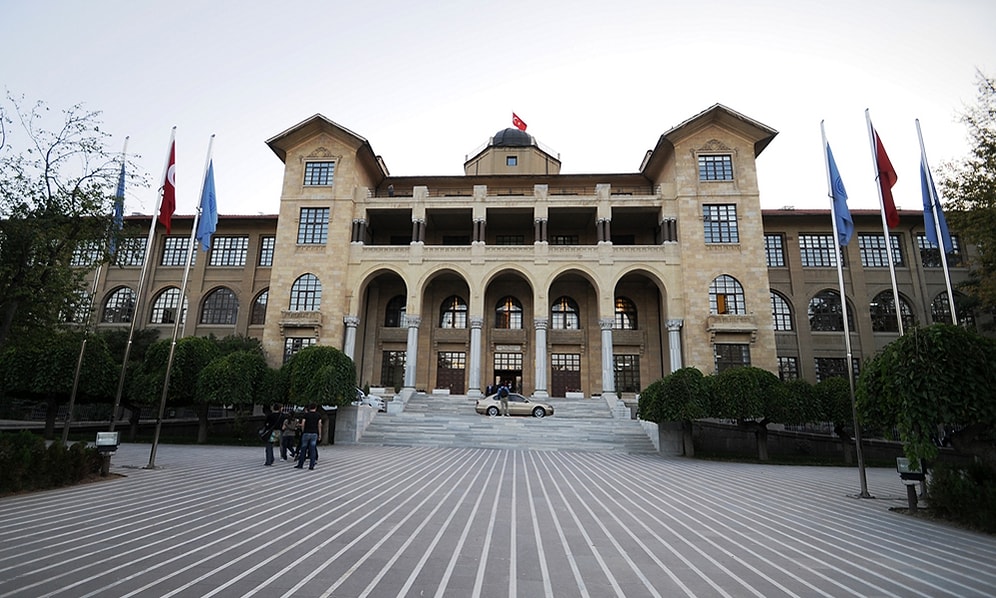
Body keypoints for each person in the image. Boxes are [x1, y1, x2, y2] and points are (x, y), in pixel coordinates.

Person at [295, 404, 323, 470]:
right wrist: (320, 434)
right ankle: (311, 465)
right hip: (314, 433)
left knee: (303, 449)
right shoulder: (318, 415)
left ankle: (300, 464)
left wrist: (303, 431)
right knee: (312, 449)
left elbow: (303, 424)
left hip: (306, 432)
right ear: (315, 408)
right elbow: (319, 425)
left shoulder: (306, 415)